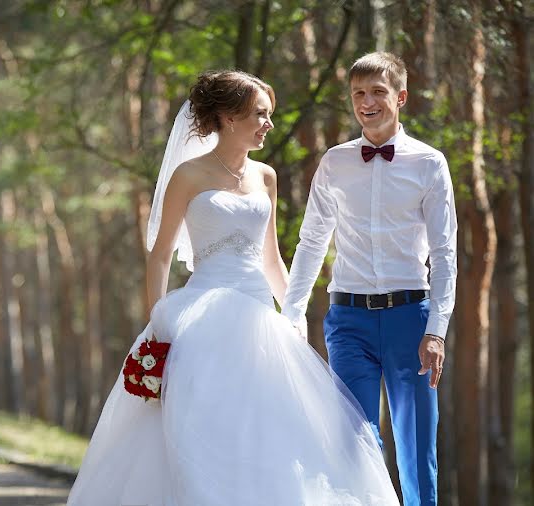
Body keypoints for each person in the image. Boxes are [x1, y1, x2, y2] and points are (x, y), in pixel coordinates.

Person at [67, 70, 399, 505]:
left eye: (269, 115)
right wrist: (159, 322)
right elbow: (161, 253)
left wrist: (293, 312)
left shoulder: (266, 177)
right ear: (226, 117)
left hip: (261, 318)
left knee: (271, 430)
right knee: (203, 429)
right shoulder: (188, 175)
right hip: (201, 317)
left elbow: (270, 258)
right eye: (260, 115)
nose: (268, 124)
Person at [281, 52, 456, 506]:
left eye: (378, 92)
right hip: (348, 321)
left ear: (400, 97)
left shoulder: (429, 163)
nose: (367, 102)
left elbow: (444, 253)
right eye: (359, 93)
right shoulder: (334, 163)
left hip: (410, 319)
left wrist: (436, 330)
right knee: (356, 447)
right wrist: (292, 313)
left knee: (417, 452)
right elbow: (311, 243)